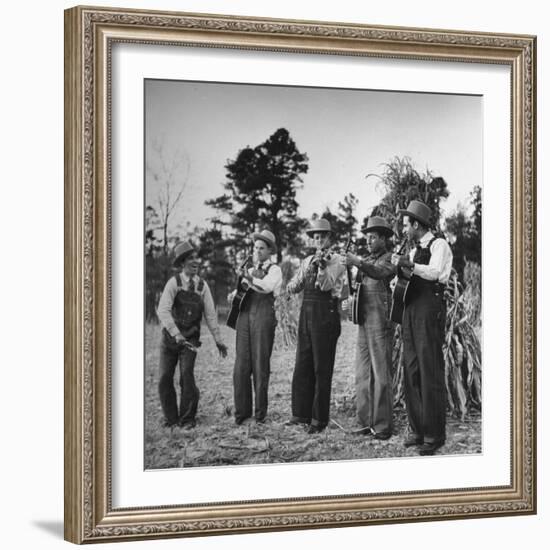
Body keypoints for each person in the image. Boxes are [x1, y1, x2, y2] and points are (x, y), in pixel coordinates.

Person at [391, 200, 453, 455]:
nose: (404, 229)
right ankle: (417, 430)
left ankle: (434, 435)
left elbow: (436, 273)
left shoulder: (439, 245)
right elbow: (404, 279)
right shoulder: (414, 249)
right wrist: (395, 280)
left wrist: (410, 266)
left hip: (429, 309)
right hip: (410, 310)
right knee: (412, 369)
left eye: (406, 225)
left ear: (416, 224)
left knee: (430, 370)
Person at [157, 241, 228, 429]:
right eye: (190, 259)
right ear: (182, 263)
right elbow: (163, 311)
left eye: (196, 258)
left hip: (191, 341)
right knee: (164, 377)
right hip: (170, 340)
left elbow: (211, 315)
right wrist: (176, 334)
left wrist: (219, 340)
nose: (195, 262)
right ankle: (171, 418)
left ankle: (187, 418)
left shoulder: (202, 287)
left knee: (186, 376)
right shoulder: (173, 283)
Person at [286, 218, 346, 434]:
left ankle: (319, 419)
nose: (319, 240)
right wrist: (290, 286)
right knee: (302, 363)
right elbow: (295, 285)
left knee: (322, 368)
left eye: (323, 236)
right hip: (306, 315)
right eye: (316, 237)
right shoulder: (307, 259)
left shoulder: (337, 260)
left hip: (326, 315)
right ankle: (300, 413)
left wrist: (321, 268)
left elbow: (327, 284)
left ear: (329, 238)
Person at [344, 216, 395, 440]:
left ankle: (382, 425)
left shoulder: (390, 258)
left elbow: (379, 272)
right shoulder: (366, 260)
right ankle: (365, 422)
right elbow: (357, 288)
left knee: (381, 373)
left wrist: (357, 262)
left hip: (380, 321)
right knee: (362, 372)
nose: (368, 241)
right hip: (364, 320)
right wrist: (349, 302)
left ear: (384, 239)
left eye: (373, 237)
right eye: (367, 237)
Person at [231, 230, 282, 425]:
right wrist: (233, 294)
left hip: (264, 317)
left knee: (261, 365)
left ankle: (260, 414)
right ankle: (242, 414)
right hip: (245, 318)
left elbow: (266, 287)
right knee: (241, 365)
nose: (258, 251)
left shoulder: (275, 270)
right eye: (255, 248)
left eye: (262, 248)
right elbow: (242, 291)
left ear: (270, 251)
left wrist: (249, 279)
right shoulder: (250, 270)